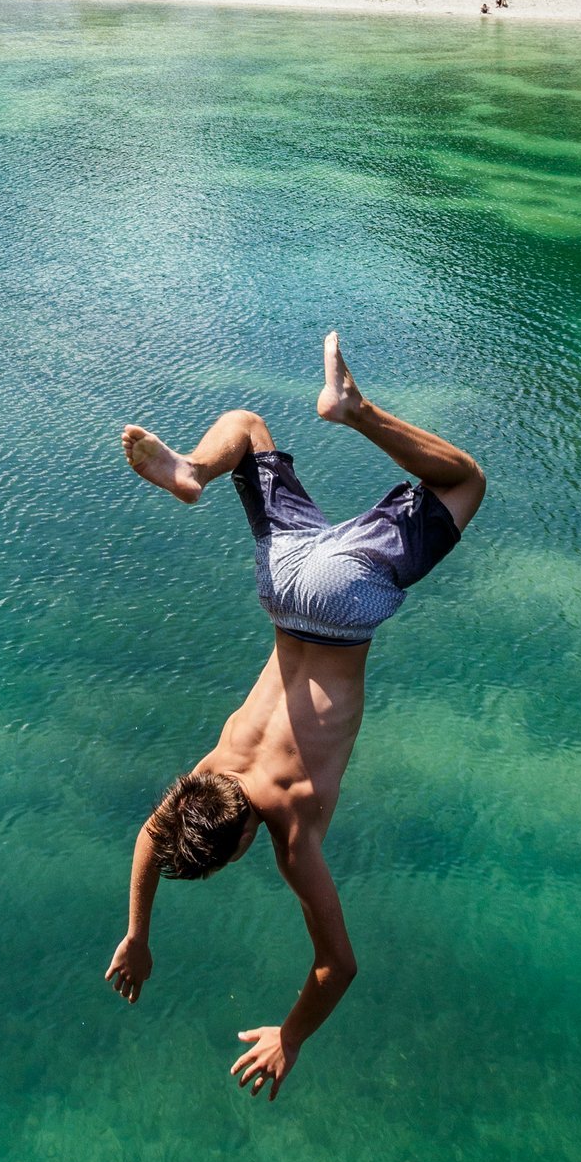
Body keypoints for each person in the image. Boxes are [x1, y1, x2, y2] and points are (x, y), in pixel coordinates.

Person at [107, 334, 485, 1098]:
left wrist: (292, 1035)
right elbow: (150, 838)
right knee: (246, 425)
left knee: (467, 482)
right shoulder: (205, 774)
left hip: (346, 602)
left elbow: (337, 965)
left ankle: (356, 410)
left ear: (245, 835)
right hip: (286, 582)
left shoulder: (289, 830)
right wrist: (136, 935)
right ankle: (192, 471)